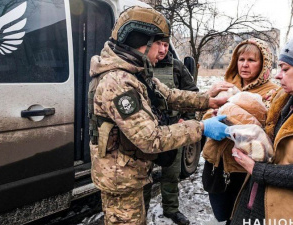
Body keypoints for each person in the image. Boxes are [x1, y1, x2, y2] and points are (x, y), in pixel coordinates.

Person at [88, 6, 229, 225]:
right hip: (120, 179)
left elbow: (170, 95)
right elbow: (150, 138)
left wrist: (208, 101)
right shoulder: (118, 82)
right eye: (159, 45)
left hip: (130, 172)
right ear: (142, 44)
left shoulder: (135, 73)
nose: (164, 52)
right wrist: (201, 128)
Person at [202, 38, 279, 224]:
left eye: (251, 60)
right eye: (241, 59)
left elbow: (267, 130)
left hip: (242, 169)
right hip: (215, 163)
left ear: (263, 64)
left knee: (239, 216)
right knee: (220, 213)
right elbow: (205, 118)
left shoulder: (273, 92)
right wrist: (211, 116)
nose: (245, 64)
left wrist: (234, 111)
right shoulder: (225, 85)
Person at [230, 38, 293, 224]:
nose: (278, 75)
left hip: (282, 208)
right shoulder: (284, 102)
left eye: (285, 68)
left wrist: (256, 169)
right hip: (257, 197)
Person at [143, 39, 198, 225]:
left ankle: (171, 209)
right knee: (143, 175)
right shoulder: (141, 66)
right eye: (160, 44)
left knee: (171, 173)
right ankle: (140, 212)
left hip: (173, 128)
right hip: (146, 131)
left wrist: (187, 119)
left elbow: (192, 95)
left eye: (167, 45)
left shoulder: (177, 68)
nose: (164, 49)